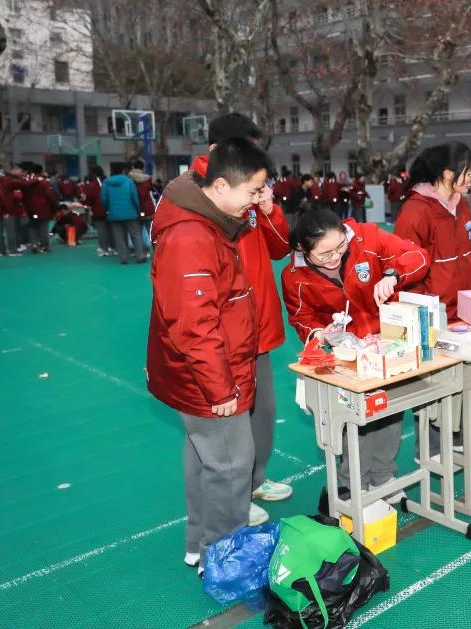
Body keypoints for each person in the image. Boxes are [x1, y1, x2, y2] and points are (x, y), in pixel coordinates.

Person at [146, 137, 270, 575]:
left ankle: (202, 546)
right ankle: (224, 558)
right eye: (253, 191)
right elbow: (195, 326)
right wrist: (221, 388)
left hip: (210, 371)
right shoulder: (192, 235)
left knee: (208, 460)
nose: (258, 200)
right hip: (210, 376)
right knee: (232, 467)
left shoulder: (207, 221)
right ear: (220, 186)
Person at [282, 205, 428, 502]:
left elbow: (418, 256)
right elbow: (301, 317)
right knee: (353, 416)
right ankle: (352, 483)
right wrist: (321, 333)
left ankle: (383, 476)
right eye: (325, 255)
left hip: (386, 342)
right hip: (346, 354)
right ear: (303, 250)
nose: (335, 257)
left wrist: (393, 274)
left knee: (388, 409)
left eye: (340, 247)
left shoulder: (367, 238)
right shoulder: (294, 276)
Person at [189, 112, 294, 527]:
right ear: (218, 151)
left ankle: (254, 480)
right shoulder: (202, 191)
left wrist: (269, 209)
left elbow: (280, 248)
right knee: (226, 423)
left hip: (259, 323)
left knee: (263, 411)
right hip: (225, 330)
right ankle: (230, 499)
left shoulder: (251, 188)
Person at [395, 142, 471, 458]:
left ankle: (466, 437)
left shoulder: (462, 205)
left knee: (469, 371)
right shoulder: (416, 211)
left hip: (462, 310)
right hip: (432, 314)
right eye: (467, 170)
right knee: (434, 383)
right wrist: (423, 319)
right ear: (447, 173)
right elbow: (405, 269)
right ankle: (430, 449)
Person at [100, 163, 146, 264]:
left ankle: (123, 257)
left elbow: (103, 199)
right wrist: (137, 209)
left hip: (114, 213)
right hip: (130, 212)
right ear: (122, 171)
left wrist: (108, 208)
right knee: (135, 234)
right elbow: (134, 197)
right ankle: (140, 256)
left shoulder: (106, 183)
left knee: (119, 236)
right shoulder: (129, 181)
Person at [22, 164, 57, 254]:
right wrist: (54, 207)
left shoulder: (27, 181)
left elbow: (24, 196)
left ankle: (34, 244)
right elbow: (50, 196)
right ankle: (45, 246)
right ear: (41, 171)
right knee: (43, 228)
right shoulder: (44, 182)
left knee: (33, 227)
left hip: (31, 209)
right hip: (43, 209)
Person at [83, 166, 113, 257]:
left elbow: (91, 196)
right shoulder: (108, 181)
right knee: (113, 229)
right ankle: (114, 247)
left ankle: (103, 249)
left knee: (102, 230)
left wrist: (86, 203)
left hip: (99, 209)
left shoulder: (94, 184)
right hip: (112, 209)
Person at [128, 159, 157, 253]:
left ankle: (137, 250)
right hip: (148, 207)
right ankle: (154, 249)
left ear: (133, 167)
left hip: (134, 208)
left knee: (136, 231)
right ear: (142, 168)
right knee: (150, 229)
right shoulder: (148, 179)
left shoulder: (129, 179)